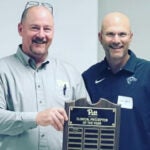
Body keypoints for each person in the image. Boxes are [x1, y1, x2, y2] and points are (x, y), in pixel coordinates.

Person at [0, 1, 88, 150]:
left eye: (47, 29)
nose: (41, 35)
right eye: (34, 28)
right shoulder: (2, 70)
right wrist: (36, 118)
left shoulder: (70, 73)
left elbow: (85, 122)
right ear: (20, 29)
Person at [82, 12, 150, 150]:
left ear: (130, 37)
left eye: (122, 34)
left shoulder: (147, 73)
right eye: (110, 34)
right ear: (100, 37)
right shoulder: (88, 77)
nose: (116, 40)